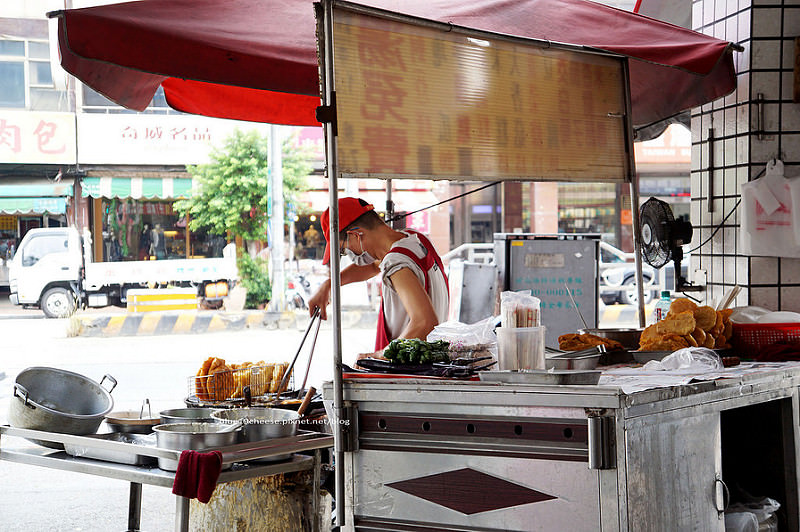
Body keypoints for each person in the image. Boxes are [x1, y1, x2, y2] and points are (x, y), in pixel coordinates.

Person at [308, 197, 449, 356]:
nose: (350, 255)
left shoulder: (396, 263)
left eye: (344, 250)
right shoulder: (415, 240)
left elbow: (424, 323)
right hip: (433, 358)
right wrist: (330, 283)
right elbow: (374, 266)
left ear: (356, 235)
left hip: (412, 369)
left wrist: (381, 355)